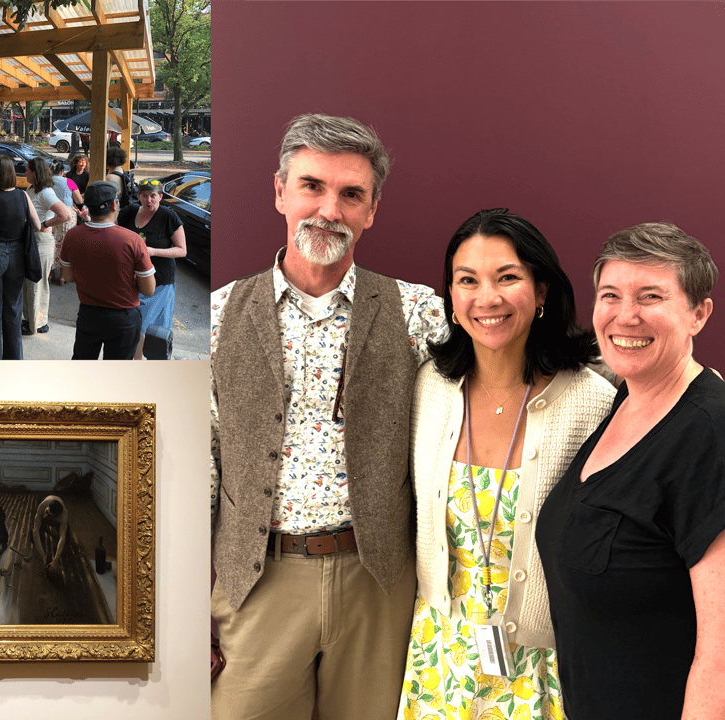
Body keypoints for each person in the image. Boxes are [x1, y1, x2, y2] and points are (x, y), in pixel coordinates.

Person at [210, 113, 447, 719]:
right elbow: (200, 462)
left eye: (351, 195)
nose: (329, 210)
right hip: (255, 580)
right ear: (280, 191)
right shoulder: (219, 315)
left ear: (372, 210)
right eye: (312, 186)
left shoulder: (420, 312)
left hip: (381, 579)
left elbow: (503, 375)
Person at [398, 209, 616, 719]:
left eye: (508, 277)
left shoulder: (593, 403)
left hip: (547, 664)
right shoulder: (430, 388)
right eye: (467, 280)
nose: (487, 298)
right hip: (440, 657)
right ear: (451, 297)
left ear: (541, 291)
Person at [536, 222, 724, 720]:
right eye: (610, 295)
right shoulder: (626, 396)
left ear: (699, 313)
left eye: (651, 296)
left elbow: (721, 657)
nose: (625, 316)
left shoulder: (710, 434)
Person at [58, 180, 155, 360]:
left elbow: (67, 276)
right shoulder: (132, 240)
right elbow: (149, 290)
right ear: (113, 205)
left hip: (88, 314)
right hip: (123, 318)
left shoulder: (73, 235)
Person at [0, 156, 42, 359]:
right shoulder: (23, 196)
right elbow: (37, 225)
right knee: (13, 308)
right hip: (17, 255)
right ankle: (14, 358)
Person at [117, 178, 186, 359]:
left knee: (147, 328)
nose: (149, 200)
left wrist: (153, 251)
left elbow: (182, 251)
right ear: (139, 196)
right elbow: (113, 231)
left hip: (160, 282)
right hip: (132, 280)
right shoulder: (130, 212)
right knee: (135, 326)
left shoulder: (168, 217)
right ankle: (138, 361)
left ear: (160, 197)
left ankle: (140, 362)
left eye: (153, 196)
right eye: (145, 196)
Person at [22, 157, 74, 335]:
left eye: (28, 170)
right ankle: (30, 319)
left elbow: (65, 214)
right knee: (30, 283)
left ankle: (37, 323)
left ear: (35, 172)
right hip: (31, 241)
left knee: (38, 284)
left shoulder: (45, 192)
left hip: (41, 242)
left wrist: (44, 224)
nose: (25, 173)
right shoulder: (31, 189)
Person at [49, 159, 84, 284]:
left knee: (51, 243)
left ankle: (50, 273)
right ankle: (63, 276)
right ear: (62, 171)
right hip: (67, 215)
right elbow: (79, 201)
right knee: (65, 243)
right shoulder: (69, 182)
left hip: (50, 215)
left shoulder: (46, 182)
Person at [32, 495, 69, 573]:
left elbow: (62, 538)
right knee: (34, 536)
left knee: (66, 539)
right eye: (46, 512)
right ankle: (44, 524)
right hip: (47, 502)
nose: (45, 515)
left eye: (49, 515)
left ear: (56, 517)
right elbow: (35, 531)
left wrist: (56, 559)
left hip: (55, 520)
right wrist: (43, 555)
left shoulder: (63, 517)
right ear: (47, 507)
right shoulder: (43, 505)